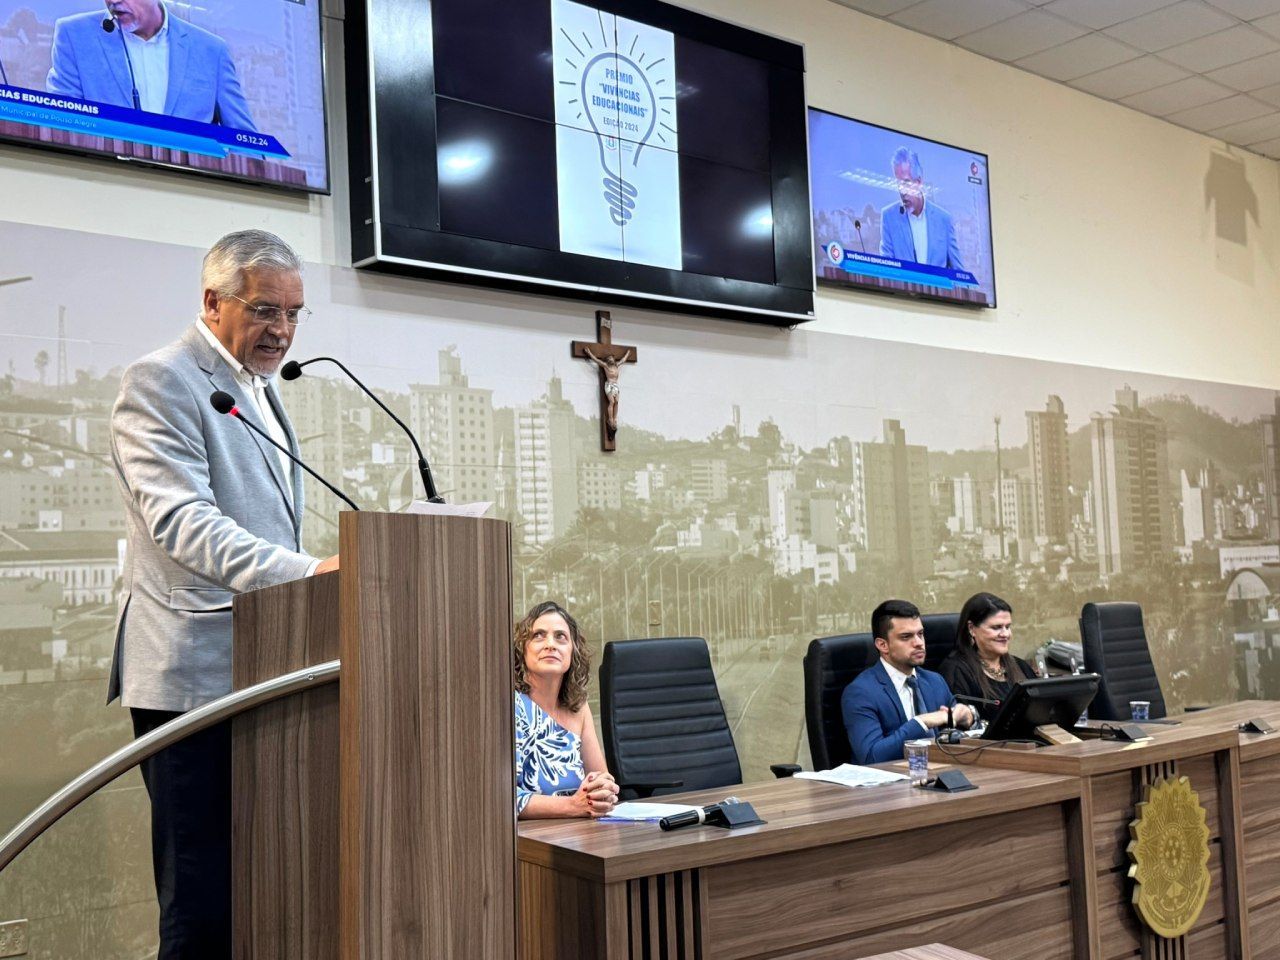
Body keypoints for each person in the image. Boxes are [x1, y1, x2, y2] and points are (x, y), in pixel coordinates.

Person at [109, 229, 338, 959]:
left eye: (295, 313)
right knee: (203, 904)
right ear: (212, 301)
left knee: (264, 891)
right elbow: (183, 523)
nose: (283, 330)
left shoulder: (261, 386)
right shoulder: (162, 379)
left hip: (266, 667)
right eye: (266, 309)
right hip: (194, 678)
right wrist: (307, 574)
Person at [46, 0, 257, 131]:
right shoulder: (74, 35)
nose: (114, 1)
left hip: (191, 192)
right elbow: (63, 125)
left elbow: (246, 142)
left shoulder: (212, 50)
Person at [513, 600, 620, 818]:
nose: (550, 644)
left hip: (580, 830)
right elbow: (500, 798)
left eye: (560, 637)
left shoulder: (577, 706)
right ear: (522, 649)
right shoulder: (507, 706)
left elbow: (601, 778)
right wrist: (573, 806)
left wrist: (604, 792)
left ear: (573, 652)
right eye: (538, 635)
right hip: (527, 841)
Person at [842, 599, 975, 764]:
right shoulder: (861, 692)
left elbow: (956, 735)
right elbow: (871, 756)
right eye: (906, 637)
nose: (919, 643)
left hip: (940, 775)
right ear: (883, 645)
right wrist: (922, 722)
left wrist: (968, 718)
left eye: (920, 634)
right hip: (891, 786)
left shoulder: (934, 681)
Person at [938, 592, 1038, 724]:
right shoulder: (956, 671)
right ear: (972, 628)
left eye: (1008, 627)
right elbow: (959, 727)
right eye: (996, 627)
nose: (1005, 634)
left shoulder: (1020, 666)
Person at [878, 147, 965, 271]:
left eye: (906, 183)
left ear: (918, 182)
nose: (902, 191)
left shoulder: (944, 220)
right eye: (898, 184)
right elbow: (885, 270)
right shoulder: (889, 217)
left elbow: (959, 274)